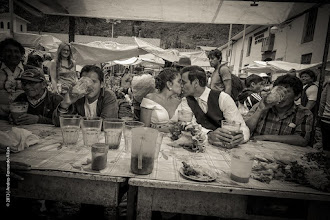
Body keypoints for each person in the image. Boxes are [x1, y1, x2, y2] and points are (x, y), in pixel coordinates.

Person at [180, 66, 250, 148]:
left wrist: (240, 137)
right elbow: (188, 125)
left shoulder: (223, 98)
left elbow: (242, 127)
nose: (181, 86)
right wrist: (208, 134)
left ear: (195, 83)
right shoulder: (186, 100)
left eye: (184, 83)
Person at [246, 75, 313, 147]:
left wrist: (266, 137)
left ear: (296, 96)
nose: (281, 95)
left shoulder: (304, 113)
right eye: (277, 90)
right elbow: (245, 130)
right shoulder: (260, 106)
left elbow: (302, 139)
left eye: (286, 92)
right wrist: (259, 110)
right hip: (256, 151)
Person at [53, 65, 118, 126]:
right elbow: (58, 123)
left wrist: (77, 122)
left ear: (102, 84)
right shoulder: (78, 97)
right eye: (84, 82)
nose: (89, 86)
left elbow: (106, 124)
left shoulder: (108, 96)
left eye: (93, 81)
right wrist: (65, 104)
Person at [140, 68, 182, 132]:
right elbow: (144, 128)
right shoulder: (151, 99)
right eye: (179, 81)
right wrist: (166, 129)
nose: (182, 85)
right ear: (169, 84)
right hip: (154, 139)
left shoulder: (178, 101)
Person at [0, 38, 26, 105]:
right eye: (8, 51)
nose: (13, 54)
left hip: (24, 113)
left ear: (21, 54)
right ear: (1, 54)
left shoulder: (30, 71)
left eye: (16, 51)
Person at [319, 79, 330, 153]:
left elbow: (322, 102)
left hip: (326, 118)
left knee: (326, 147)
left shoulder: (328, 84)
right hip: (326, 118)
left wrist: (320, 115)